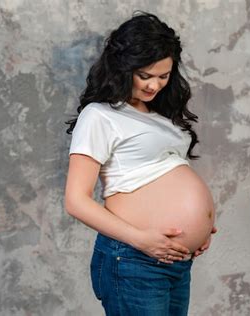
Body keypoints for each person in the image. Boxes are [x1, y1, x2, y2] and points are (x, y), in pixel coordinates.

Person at [64, 11, 217, 315]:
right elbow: (75, 201)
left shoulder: (161, 118)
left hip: (174, 261)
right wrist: (143, 240)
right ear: (123, 67)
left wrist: (201, 227)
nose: (154, 86)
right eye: (144, 76)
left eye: (163, 76)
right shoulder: (100, 115)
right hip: (135, 258)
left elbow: (162, 176)